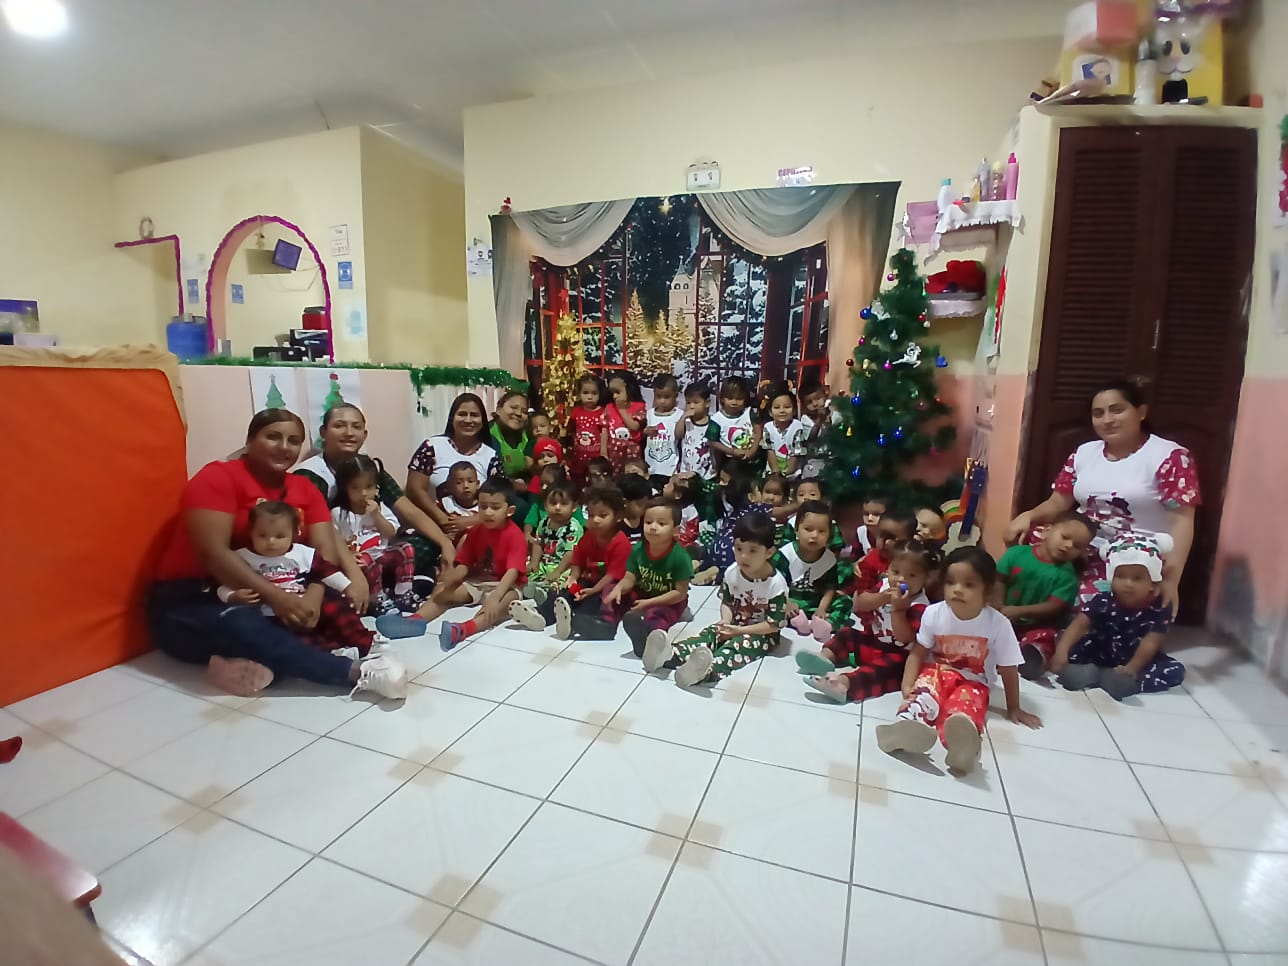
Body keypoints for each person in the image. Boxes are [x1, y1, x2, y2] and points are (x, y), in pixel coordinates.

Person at [147, 409, 407, 700]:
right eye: (273, 437)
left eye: (294, 441)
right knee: (242, 623)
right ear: (250, 440)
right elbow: (213, 553)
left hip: (278, 589)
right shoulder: (216, 478)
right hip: (198, 597)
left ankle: (270, 661)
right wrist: (278, 599)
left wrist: (312, 597)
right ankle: (356, 673)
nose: (284, 447)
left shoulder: (304, 489)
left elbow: (323, 555)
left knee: (332, 599)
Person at [1005, 378, 1200, 612]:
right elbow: (1058, 501)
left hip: (1133, 553)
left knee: (1088, 605)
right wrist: (1028, 516)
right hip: (1081, 543)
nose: (1107, 420)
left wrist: (1171, 579)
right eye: (1098, 413)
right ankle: (1022, 618)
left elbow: (1181, 521)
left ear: (1141, 412)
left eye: (1117, 410)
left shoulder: (1170, 456)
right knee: (1023, 554)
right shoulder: (1084, 453)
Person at [875, 547, 1042, 774]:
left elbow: (1008, 667)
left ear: (987, 590)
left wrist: (1014, 707)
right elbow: (918, 652)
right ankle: (901, 729)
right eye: (950, 582)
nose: (957, 589)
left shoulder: (998, 624)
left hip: (973, 681)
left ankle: (962, 747)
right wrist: (907, 685)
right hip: (935, 673)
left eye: (969, 584)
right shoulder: (934, 613)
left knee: (965, 711)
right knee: (922, 697)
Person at [295, 403, 454, 579]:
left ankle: (391, 577)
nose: (349, 433)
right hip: (336, 553)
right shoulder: (310, 474)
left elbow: (409, 511)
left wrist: (445, 543)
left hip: (375, 551)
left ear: (364, 435)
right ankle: (401, 577)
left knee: (426, 543)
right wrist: (346, 558)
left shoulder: (370, 469)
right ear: (323, 433)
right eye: (339, 426)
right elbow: (315, 535)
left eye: (356, 427)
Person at [378, 479, 528, 649]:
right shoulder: (476, 531)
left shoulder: (515, 536)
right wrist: (450, 581)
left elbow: (512, 572)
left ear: (510, 511)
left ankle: (463, 630)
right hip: (477, 582)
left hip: (506, 585)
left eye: (495, 507)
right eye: (483, 506)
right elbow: (464, 563)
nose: (487, 512)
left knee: (504, 603)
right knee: (442, 593)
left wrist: (495, 597)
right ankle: (415, 621)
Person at [645, 513, 788, 689]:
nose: (743, 556)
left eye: (752, 551)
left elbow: (773, 625)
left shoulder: (776, 585)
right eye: (738, 548)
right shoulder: (732, 572)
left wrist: (739, 631)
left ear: (769, 552)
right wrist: (725, 621)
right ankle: (669, 655)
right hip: (734, 624)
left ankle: (706, 671)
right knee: (710, 633)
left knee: (736, 646)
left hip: (761, 634)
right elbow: (727, 602)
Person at [217, 501, 374, 655]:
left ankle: (363, 642)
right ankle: (330, 652)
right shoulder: (242, 557)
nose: (271, 542)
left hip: (304, 602)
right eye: (262, 535)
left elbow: (326, 571)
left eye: (280, 536)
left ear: (294, 533)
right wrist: (232, 596)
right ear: (251, 532)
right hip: (268, 613)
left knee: (336, 606)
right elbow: (223, 583)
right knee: (289, 641)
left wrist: (347, 586)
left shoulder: (303, 553)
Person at [799, 540, 936, 705]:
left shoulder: (921, 606)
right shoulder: (884, 586)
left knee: (880, 671)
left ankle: (843, 684)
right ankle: (825, 658)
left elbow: (904, 638)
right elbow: (859, 604)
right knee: (847, 634)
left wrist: (899, 610)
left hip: (898, 655)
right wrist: (882, 598)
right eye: (896, 571)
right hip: (874, 642)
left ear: (926, 579)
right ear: (887, 568)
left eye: (912, 576)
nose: (901, 579)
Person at [1050, 533, 1185, 699]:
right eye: (1120, 576)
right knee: (1063, 640)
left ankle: (1122, 681)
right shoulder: (1103, 599)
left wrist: (1132, 668)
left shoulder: (1160, 607)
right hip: (1099, 652)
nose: (1128, 584)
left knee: (1174, 671)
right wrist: (1062, 652)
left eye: (1137, 578)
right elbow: (1079, 625)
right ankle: (1089, 673)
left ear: (1153, 583)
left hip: (1135, 658)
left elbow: (1151, 642)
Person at [509, 484, 633, 641]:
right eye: (591, 515)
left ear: (618, 516)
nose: (595, 520)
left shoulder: (621, 543)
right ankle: (541, 616)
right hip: (587, 582)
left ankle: (573, 621)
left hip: (607, 587)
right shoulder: (589, 536)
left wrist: (593, 590)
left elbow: (612, 576)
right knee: (565, 593)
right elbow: (578, 560)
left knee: (592, 603)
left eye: (603, 515)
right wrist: (573, 578)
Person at [997, 511, 1097, 679]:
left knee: (1044, 638)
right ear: (1047, 531)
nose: (1068, 546)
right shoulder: (1016, 554)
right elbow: (998, 580)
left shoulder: (1068, 576)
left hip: (1035, 625)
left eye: (1077, 546)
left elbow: (1053, 606)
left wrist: (1018, 611)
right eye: (1065, 537)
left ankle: (1031, 659)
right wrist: (997, 605)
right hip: (1002, 618)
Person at [406, 392, 504, 541]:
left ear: (483, 421)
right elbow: (414, 489)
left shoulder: (491, 456)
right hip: (430, 526)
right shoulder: (431, 447)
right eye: (462, 414)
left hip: (477, 531)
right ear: (452, 418)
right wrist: (443, 519)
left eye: (474, 415)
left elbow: (502, 498)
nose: (468, 420)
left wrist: (469, 521)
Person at [330, 454, 420, 614]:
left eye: (369, 486)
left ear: (376, 487)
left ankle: (403, 593)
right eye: (355, 488)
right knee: (367, 560)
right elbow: (334, 542)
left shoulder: (380, 508)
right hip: (360, 560)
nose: (363, 493)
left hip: (382, 553)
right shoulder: (339, 513)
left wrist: (376, 515)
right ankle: (375, 598)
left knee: (406, 548)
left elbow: (391, 533)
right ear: (345, 488)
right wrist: (348, 557)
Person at [610, 498, 694, 659]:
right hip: (645, 592)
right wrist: (619, 588)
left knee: (658, 613)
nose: (653, 527)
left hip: (671, 600)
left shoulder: (680, 557)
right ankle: (602, 623)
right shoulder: (637, 549)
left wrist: (649, 603)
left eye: (661, 523)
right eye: (648, 522)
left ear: (676, 530)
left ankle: (649, 638)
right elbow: (629, 578)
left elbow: (680, 593)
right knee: (612, 593)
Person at [775, 500, 848, 642]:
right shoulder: (785, 554)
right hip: (790, 600)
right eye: (808, 529)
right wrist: (787, 602)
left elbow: (830, 588)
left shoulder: (829, 559)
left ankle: (827, 624)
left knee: (845, 602)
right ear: (797, 529)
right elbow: (774, 582)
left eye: (821, 531)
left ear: (829, 535)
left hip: (814, 602)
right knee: (770, 603)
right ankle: (796, 620)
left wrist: (822, 609)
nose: (814, 535)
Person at [692, 463, 772, 585]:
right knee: (738, 566)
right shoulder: (758, 508)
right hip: (732, 551)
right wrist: (797, 505)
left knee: (707, 551)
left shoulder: (735, 508)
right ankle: (717, 574)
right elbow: (780, 511)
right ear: (751, 497)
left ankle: (701, 564)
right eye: (759, 491)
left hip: (716, 547)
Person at [527, 480, 584, 592]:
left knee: (564, 581)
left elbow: (570, 553)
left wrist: (558, 571)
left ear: (574, 507)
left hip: (565, 566)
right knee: (527, 573)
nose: (557, 507)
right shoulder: (544, 523)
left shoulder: (573, 528)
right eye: (553, 503)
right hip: (545, 563)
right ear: (545, 505)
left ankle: (548, 594)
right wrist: (534, 562)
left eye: (564, 504)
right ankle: (533, 590)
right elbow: (538, 544)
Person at [851, 509, 917, 600]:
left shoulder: (917, 561)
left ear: (909, 540)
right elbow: (860, 598)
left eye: (892, 537)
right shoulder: (871, 561)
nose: (885, 542)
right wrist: (883, 597)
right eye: (881, 536)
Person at [707, 375, 761, 471]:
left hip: (754, 458)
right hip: (730, 460)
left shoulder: (748, 412)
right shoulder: (717, 419)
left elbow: (758, 430)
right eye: (730, 398)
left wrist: (752, 451)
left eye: (739, 399)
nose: (734, 402)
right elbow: (712, 441)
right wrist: (732, 451)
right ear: (722, 398)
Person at [643, 373, 682, 492]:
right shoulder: (650, 414)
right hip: (651, 467)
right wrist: (646, 431)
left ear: (675, 395)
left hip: (670, 469)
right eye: (658, 396)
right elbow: (642, 432)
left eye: (666, 397)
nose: (662, 401)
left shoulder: (679, 415)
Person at [759, 383, 807, 478]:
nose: (782, 411)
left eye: (787, 407)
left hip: (793, 474)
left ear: (794, 410)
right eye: (777, 407)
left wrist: (786, 474)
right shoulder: (768, 427)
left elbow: (796, 453)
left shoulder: (797, 426)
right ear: (770, 412)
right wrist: (776, 473)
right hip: (773, 473)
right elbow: (770, 451)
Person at [603, 372, 647, 473]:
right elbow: (605, 431)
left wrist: (621, 410)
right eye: (612, 393)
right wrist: (603, 452)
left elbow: (634, 427)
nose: (614, 396)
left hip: (631, 453)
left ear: (629, 389)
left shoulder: (639, 407)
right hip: (613, 453)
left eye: (618, 392)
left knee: (631, 476)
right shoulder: (609, 408)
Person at [567, 374, 607, 485]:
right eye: (585, 393)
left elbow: (605, 433)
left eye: (594, 393)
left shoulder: (603, 412)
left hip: (596, 458)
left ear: (600, 394)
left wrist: (603, 453)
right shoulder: (576, 411)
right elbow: (571, 431)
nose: (590, 397)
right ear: (579, 394)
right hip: (578, 457)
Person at [488, 389, 535, 483]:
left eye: (524, 411)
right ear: (498, 409)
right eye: (513, 407)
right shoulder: (487, 434)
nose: (518, 413)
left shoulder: (530, 436)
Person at [675, 382, 716, 483]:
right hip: (686, 471)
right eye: (688, 403)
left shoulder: (712, 423)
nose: (691, 406)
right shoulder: (687, 421)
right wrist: (683, 418)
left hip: (705, 473)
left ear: (707, 403)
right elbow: (678, 435)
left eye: (696, 402)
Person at [799, 377, 835, 479]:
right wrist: (819, 420)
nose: (815, 404)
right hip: (814, 460)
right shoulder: (805, 420)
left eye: (818, 399)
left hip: (832, 459)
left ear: (825, 396)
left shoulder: (834, 414)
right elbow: (810, 438)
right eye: (809, 402)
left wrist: (828, 420)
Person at [852, 492, 891, 558]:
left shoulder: (894, 534)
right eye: (866, 514)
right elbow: (855, 557)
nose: (870, 518)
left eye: (876, 514)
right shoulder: (861, 532)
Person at [619, 473, 652, 543]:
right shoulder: (615, 525)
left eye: (647, 504)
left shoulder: (648, 522)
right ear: (625, 502)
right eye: (640, 504)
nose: (645, 507)